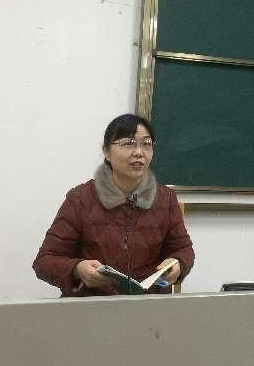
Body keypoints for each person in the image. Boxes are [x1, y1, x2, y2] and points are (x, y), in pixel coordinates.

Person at [32, 114, 194, 296]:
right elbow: (45, 261)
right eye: (129, 143)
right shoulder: (81, 199)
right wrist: (78, 269)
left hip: (147, 304)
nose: (139, 152)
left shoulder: (165, 198)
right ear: (107, 152)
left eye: (146, 144)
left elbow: (183, 249)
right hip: (92, 305)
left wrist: (177, 263)